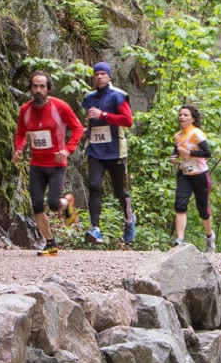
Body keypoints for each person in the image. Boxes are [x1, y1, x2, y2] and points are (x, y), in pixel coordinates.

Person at [14, 71, 83, 257]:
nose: (38, 90)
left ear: (48, 88)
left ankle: (67, 202)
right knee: (36, 205)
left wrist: (67, 150)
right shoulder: (25, 110)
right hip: (36, 164)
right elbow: (21, 133)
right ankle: (50, 243)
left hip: (56, 164)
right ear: (30, 88)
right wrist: (18, 149)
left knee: (53, 204)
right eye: (35, 86)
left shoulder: (60, 107)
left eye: (42, 86)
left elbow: (78, 129)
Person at [80, 62, 136, 247]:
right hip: (95, 149)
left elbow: (128, 121)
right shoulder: (89, 98)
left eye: (103, 74)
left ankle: (129, 219)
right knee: (94, 185)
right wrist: (87, 130)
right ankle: (95, 228)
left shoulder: (118, 96)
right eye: (96, 74)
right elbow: (92, 121)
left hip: (115, 151)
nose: (99, 77)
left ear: (110, 76)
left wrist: (103, 115)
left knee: (119, 190)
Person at [171, 104, 215, 250]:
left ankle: (209, 236)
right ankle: (180, 239)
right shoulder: (177, 136)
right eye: (181, 115)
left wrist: (190, 154)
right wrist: (174, 157)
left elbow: (207, 153)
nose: (182, 117)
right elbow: (177, 150)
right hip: (184, 174)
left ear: (193, 118)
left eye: (186, 115)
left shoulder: (196, 134)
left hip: (200, 174)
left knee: (202, 209)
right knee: (180, 204)